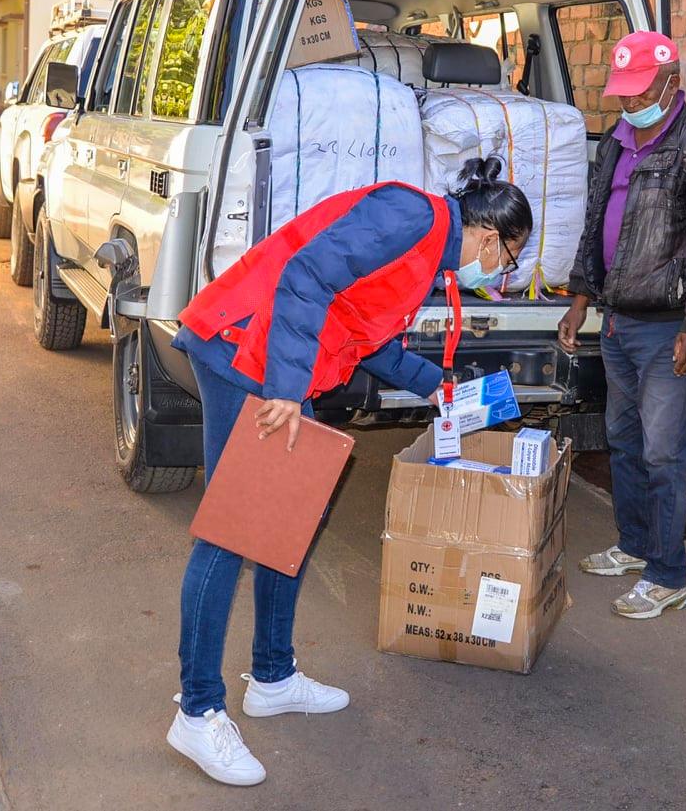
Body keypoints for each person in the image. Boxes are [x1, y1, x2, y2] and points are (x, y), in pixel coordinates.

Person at [162, 158, 531, 787]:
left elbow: (366, 333)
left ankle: (273, 677)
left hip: (276, 362)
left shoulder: (429, 255)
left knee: (292, 521)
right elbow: (306, 273)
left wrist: (436, 386)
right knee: (232, 534)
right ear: (491, 238)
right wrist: (285, 389)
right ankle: (197, 712)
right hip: (243, 350)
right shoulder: (410, 214)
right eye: (507, 261)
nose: (498, 274)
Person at [561, 31, 686, 619]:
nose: (629, 102)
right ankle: (633, 545)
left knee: (663, 454)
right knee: (624, 440)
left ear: (671, 83)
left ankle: (668, 574)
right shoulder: (616, 141)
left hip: (666, 328)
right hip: (617, 319)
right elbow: (595, 221)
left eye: (640, 92)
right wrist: (581, 296)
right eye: (623, 92)